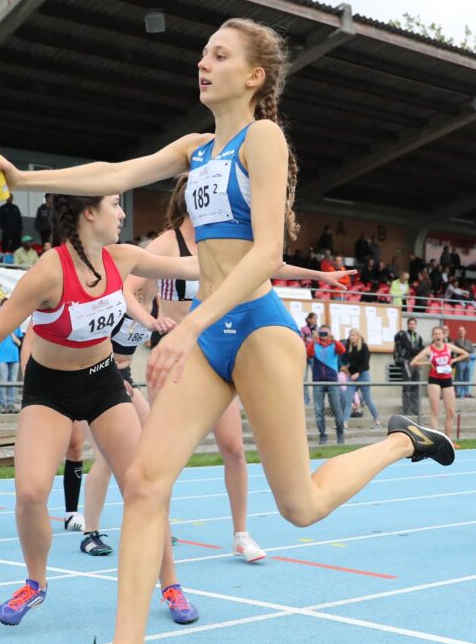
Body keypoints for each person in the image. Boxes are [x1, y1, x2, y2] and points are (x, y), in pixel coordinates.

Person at [0, 17, 455, 644]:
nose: (203, 63)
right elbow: (114, 174)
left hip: (255, 327)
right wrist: (24, 176)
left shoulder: (264, 137)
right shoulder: (199, 148)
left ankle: (399, 440)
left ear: (254, 76)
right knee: (144, 482)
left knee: (299, 506)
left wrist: (189, 321)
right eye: (203, 53)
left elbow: (263, 252)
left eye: (219, 55)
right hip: (211, 335)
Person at [0, 192, 206, 627]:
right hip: (50, 390)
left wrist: (257, 254)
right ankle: (35, 583)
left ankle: (170, 583)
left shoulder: (123, 257)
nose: (122, 213)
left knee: (143, 488)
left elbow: (194, 266)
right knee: (29, 493)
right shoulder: (47, 273)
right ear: (88, 212)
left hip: (103, 381)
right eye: (115, 204)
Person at [123, 179, 352, 557]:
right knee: (162, 457)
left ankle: (241, 533)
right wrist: (151, 322)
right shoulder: (167, 244)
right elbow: (127, 288)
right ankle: (158, 526)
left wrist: (319, 276)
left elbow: (269, 263)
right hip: (178, 354)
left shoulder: (219, 243)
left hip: (215, 348)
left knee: (232, 446)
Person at [409, 325, 469, 439]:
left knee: (451, 412)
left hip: (447, 379)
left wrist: (453, 360)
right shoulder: (429, 349)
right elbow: (413, 362)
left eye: (439, 334)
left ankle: (448, 440)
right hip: (434, 380)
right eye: (435, 334)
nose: (437, 336)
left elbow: (466, 354)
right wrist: (428, 363)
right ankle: (436, 441)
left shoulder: (449, 347)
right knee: (435, 411)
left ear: (443, 335)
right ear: (433, 336)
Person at [308, 325, 346, 444]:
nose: (323, 335)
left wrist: (334, 339)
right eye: (322, 333)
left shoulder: (334, 344)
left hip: (332, 380)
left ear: (330, 333)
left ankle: (340, 435)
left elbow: (342, 350)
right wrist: (313, 342)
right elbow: (308, 354)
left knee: (337, 409)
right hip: (318, 380)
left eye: (326, 333)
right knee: (319, 410)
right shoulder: (315, 344)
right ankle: (322, 435)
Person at [340, 327, 381, 429]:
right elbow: (344, 359)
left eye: (353, 335)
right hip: (352, 377)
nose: (351, 337)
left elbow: (365, 364)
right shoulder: (348, 347)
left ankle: (377, 421)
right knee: (348, 399)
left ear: (358, 336)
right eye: (350, 335)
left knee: (367, 400)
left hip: (363, 375)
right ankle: (344, 423)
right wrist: (346, 367)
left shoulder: (363, 347)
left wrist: (358, 373)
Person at [0, 298, 22, 414]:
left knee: (13, 381)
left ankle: (11, 404)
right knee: (2, 381)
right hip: (2, 356)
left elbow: (19, 339)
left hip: (14, 356)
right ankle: (2, 405)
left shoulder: (16, 321)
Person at [393, 316, 424, 415]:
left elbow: (422, 348)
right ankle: (406, 410)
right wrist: (418, 351)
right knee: (407, 386)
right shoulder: (404, 335)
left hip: (417, 362)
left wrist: (418, 351)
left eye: (414, 324)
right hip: (407, 362)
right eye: (410, 324)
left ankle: (416, 410)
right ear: (408, 325)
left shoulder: (418, 336)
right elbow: (408, 348)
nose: (412, 325)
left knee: (416, 385)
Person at [299, 311, 317, 404]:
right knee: (304, 378)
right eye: (313, 318)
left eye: (315, 318)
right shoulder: (303, 329)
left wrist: (309, 339)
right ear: (309, 319)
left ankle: (316, 399)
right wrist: (311, 339)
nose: (314, 320)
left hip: (313, 355)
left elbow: (319, 341)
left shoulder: (318, 329)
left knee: (315, 377)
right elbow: (302, 339)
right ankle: (306, 399)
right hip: (305, 355)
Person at [452, 326, 475, 398]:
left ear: (465, 332)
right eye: (460, 331)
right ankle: (457, 393)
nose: (462, 332)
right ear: (458, 332)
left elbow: (472, 350)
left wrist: (464, 349)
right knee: (459, 377)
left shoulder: (469, 341)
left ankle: (466, 393)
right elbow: (466, 349)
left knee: (467, 378)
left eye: (463, 331)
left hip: (468, 362)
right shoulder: (456, 341)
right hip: (460, 361)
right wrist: (467, 349)